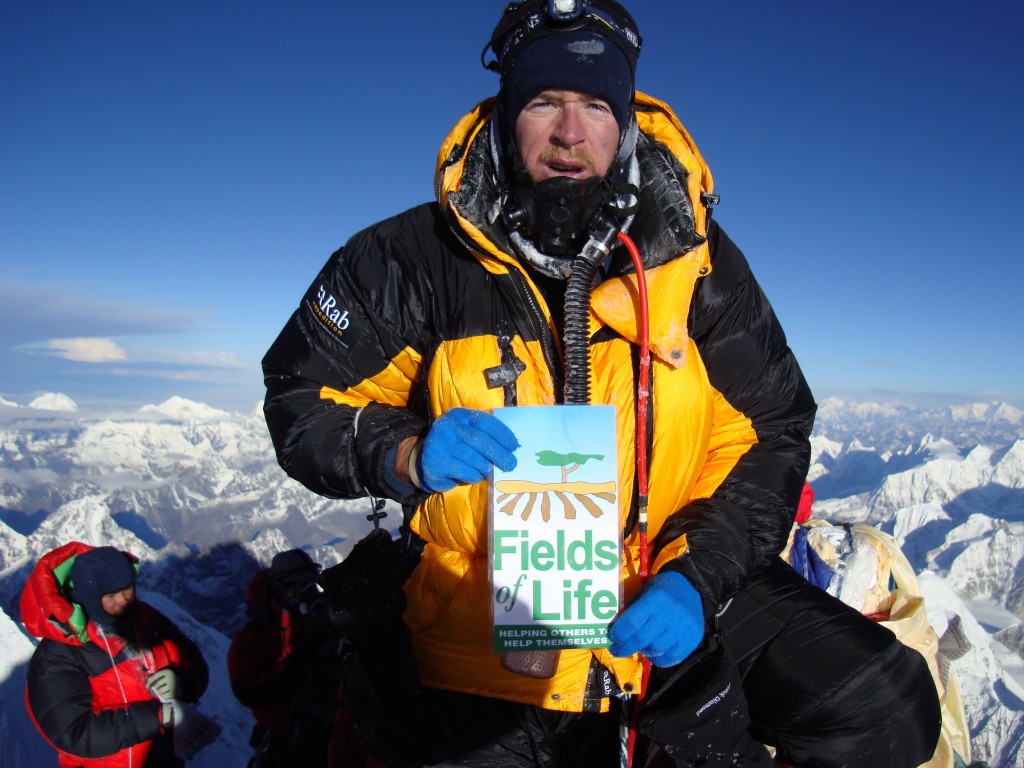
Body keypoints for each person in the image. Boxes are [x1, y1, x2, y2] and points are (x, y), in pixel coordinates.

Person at [261, 1, 943, 766]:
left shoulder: (692, 261)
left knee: (889, 709)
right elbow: (300, 397)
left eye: (595, 105)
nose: (568, 131)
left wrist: (698, 576)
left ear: (624, 122)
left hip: (660, 579)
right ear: (505, 112)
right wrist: (402, 450)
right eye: (544, 101)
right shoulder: (409, 259)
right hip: (479, 609)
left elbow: (775, 428)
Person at [21, 542, 220, 768]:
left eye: (127, 588)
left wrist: (182, 682)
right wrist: (156, 717)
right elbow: (74, 732)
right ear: (90, 596)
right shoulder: (58, 654)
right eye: (112, 595)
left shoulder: (147, 621)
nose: (124, 600)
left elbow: (195, 663)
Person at [228, 549, 360, 768]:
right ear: (281, 589)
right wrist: (303, 665)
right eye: (299, 586)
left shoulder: (323, 619)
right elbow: (248, 692)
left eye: (310, 584)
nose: (308, 592)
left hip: (332, 732)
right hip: (288, 746)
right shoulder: (253, 638)